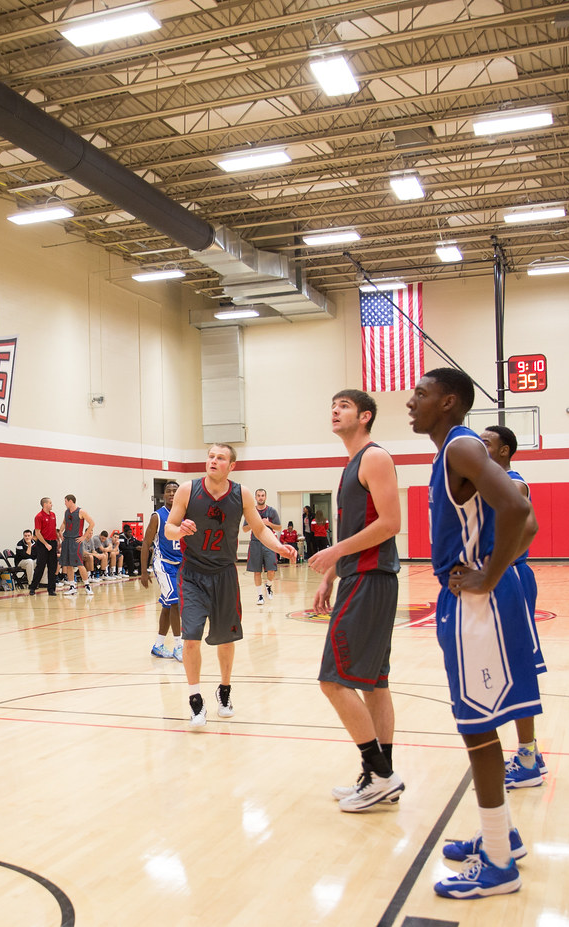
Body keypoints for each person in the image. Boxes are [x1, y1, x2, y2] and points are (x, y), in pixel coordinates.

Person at [407, 368, 540, 899]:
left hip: (475, 602)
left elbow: (521, 512)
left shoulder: (461, 449)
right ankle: (498, 834)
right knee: (477, 727)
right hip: (465, 599)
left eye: (421, 393)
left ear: (449, 402)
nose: (411, 401)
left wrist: (488, 574)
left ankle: (500, 866)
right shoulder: (452, 454)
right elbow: (521, 520)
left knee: (478, 731)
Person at [309, 390, 403, 812]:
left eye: (344, 405)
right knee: (375, 684)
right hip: (358, 577)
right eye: (333, 404)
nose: (335, 410)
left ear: (365, 416)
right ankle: (381, 775)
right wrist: (330, 575)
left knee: (333, 680)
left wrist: (333, 554)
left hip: (370, 579)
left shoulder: (374, 457)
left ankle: (380, 773)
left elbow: (390, 523)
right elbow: (357, 529)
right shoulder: (352, 463)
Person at [165, 445, 297, 728]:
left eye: (220, 458)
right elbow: (169, 528)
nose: (213, 461)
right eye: (210, 456)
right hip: (192, 574)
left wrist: (279, 547)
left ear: (231, 466)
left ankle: (224, 691)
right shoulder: (188, 490)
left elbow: (260, 528)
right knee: (190, 638)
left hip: (224, 574)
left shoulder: (242, 494)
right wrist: (181, 530)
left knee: (226, 639)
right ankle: (195, 700)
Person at [481, 425, 549, 789]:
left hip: (513, 577)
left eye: (487, 442)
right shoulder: (493, 482)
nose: (480, 446)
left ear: (505, 450)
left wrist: (497, 564)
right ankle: (530, 752)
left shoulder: (512, 482)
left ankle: (527, 759)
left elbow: (531, 525)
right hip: (507, 576)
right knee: (511, 665)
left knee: (520, 666)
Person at [140, 480, 183, 661]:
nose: (172, 493)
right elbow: (145, 543)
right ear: (163, 495)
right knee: (175, 603)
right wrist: (143, 571)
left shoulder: (185, 515)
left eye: (175, 491)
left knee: (167, 606)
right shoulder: (158, 516)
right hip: (163, 565)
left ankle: (158, 645)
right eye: (168, 491)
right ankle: (179, 646)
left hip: (181, 565)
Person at [242, 488, 281, 603]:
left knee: (271, 570)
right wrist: (253, 523)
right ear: (255, 497)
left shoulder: (272, 511)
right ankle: (260, 596)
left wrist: (268, 523)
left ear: (265, 497)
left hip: (269, 543)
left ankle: (268, 586)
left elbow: (279, 527)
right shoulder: (251, 511)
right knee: (257, 571)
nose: (260, 497)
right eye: (258, 495)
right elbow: (244, 529)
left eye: (262, 495)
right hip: (255, 543)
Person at [60, 494, 94, 595]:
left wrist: (84, 536)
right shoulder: (66, 512)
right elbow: (64, 523)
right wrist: (60, 532)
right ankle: (72, 586)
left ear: (71, 501)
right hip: (67, 540)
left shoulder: (81, 511)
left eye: (65, 501)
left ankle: (87, 585)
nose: (64, 503)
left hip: (76, 541)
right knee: (68, 564)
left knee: (79, 563)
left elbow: (92, 523)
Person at [28, 498, 58, 596]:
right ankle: (33, 587)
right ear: (45, 504)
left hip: (53, 543)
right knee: (40, 566)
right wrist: (46, 544)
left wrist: (58, 539)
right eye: (50, 503)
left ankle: (51, 589)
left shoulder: (53, 515)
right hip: (43, 544)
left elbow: (53, 529)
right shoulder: (39, 516)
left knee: (52, 567)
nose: (51, 504)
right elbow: (37, 532)